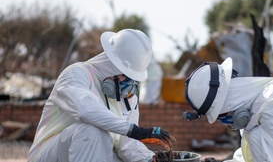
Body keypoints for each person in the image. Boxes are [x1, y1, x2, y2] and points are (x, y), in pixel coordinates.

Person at [28, 29, 175, 162]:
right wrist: (135, 131)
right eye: (126, 75)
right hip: (48, 155)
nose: (128, 84)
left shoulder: (127, 98)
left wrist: (150, 159)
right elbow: (85, 109)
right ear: (111, 65)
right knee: (92, 131)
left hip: (89, 154)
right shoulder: (76, 74)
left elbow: (127, 145)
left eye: (132, 78)